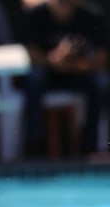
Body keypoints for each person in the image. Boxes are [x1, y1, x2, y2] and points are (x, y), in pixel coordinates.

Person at [20, 0, 109, 158]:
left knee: (100, 82)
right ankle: (35, 144)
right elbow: (31, 53)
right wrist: (54, 61)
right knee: (34, 79)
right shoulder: (36, 15)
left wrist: (71, 65)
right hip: (48, 73)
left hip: (76, 72)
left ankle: (90, 144)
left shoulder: (91, 15)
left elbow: (101, 60)